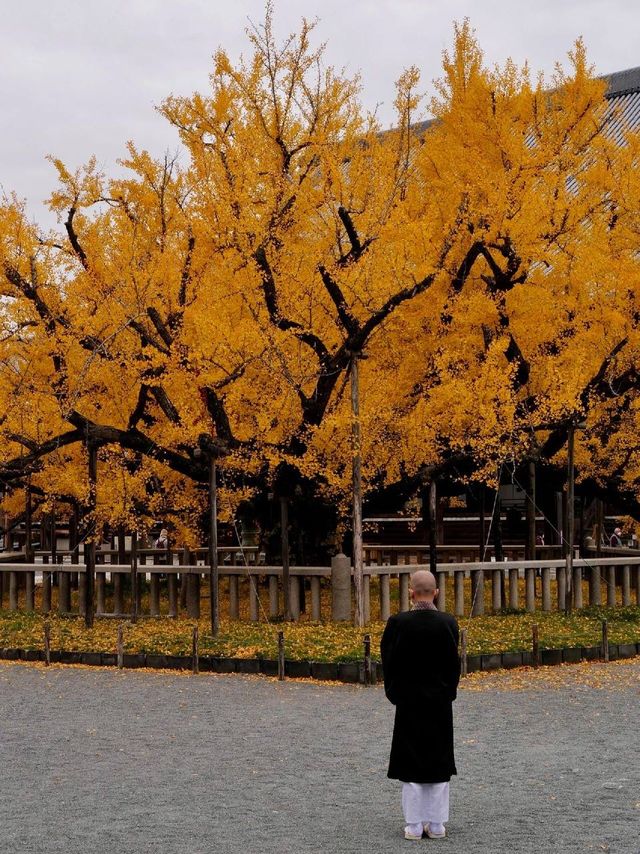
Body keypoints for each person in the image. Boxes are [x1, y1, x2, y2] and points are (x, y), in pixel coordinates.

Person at [381, 570, 460, 841]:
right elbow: (454, 665)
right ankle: (436, 824)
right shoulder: (448, 623)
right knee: (438, 761)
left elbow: (388, 661)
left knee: (411, 763)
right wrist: (449, 692)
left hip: (409, 701)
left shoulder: (398, 623)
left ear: (411, 593)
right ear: (435, 592)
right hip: (439, 702)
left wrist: (394, 693)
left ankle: (414, 825)